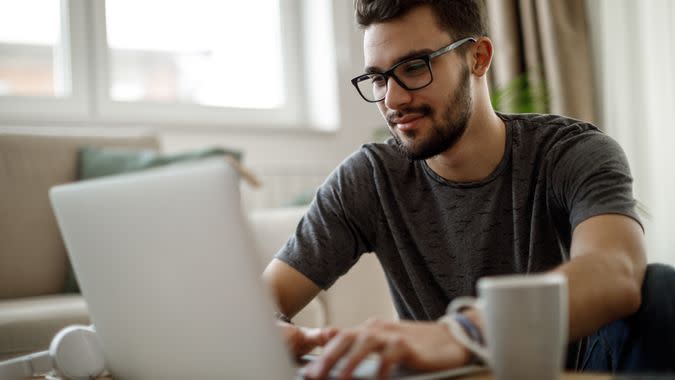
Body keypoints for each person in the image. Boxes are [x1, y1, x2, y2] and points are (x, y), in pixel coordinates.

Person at [263, 1, 675, 378]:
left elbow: (616, 271)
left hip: (570, 371)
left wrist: (461, 333)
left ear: (478, 57)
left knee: (660, 290)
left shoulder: (570, 152)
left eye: (414, 67)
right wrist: (273, 331)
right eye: (377, 78)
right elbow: (263, 300)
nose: (393, 99)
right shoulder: (368, 179)